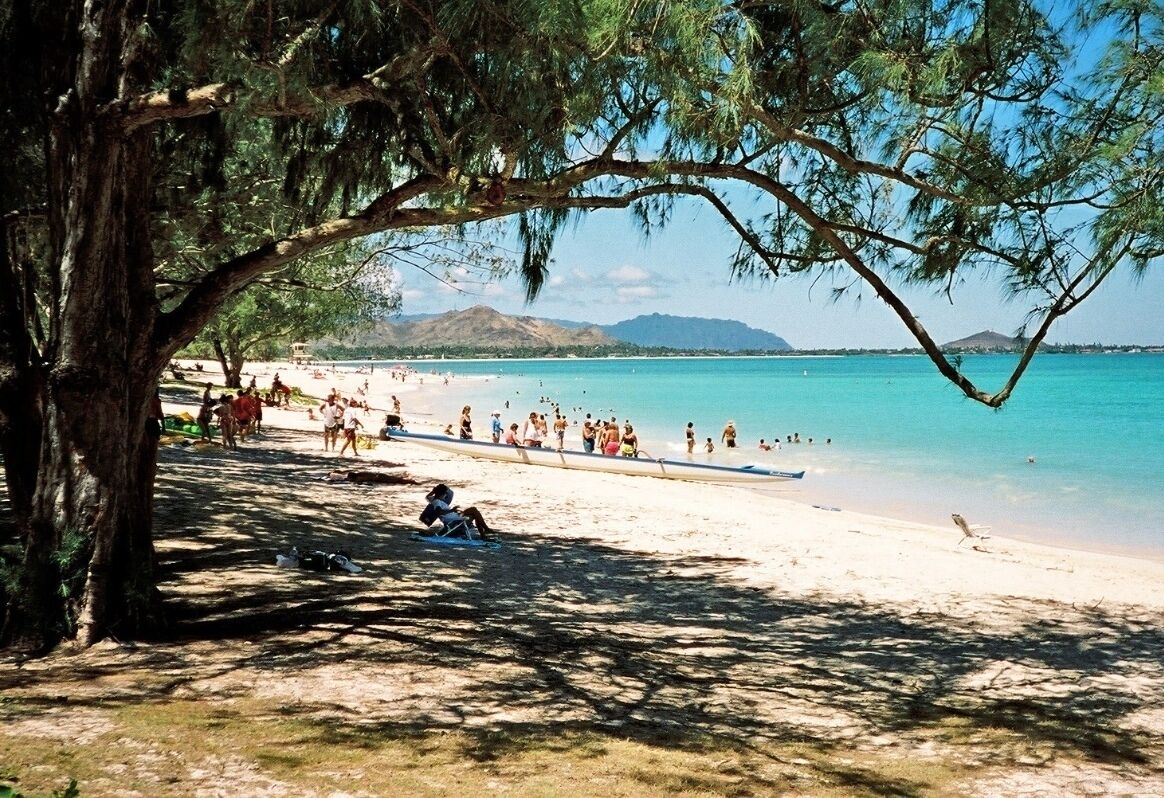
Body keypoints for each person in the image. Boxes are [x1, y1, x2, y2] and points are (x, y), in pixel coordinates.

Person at [421, 483, 496, 539]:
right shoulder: (437, 502)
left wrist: (434, 491)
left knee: (474, 511)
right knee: (474, 511)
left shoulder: (433, 499)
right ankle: (485, 531)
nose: (446, 496)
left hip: (455, 517)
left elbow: (427, 496)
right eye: (445, 494)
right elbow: (439, 512)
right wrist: (452, 510)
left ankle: (484, 532)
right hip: (453, 520)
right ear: (442, 494)